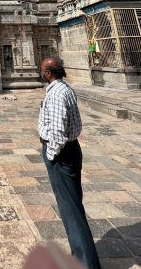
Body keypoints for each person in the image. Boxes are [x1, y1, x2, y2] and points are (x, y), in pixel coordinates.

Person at [38, 57, 101, 269]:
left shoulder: (56, 94)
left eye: (42, 70)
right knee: (72, 205)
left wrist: (51, 154)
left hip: (62, 154)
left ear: (48, 73)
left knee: (71, 210)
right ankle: (79, 255)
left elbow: (57, 131)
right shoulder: (66, 89)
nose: (40, 73)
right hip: (72, 150)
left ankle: (85, 263)